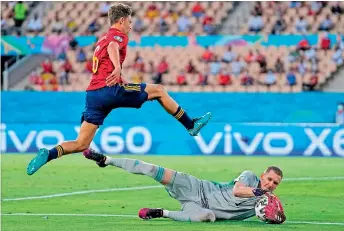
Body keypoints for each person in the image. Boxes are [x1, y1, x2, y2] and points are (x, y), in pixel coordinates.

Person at [27, 4, 211, 176]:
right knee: (159, 90)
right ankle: (190, 125)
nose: (130, 27)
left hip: (93, 95)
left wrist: (117, 73)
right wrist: (117, 68)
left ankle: (49, 153)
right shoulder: (117, 36)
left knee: (81, 144)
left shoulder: (101, 39)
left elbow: (104, 58)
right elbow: (113, 47)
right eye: (129, 22)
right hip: (110, 89)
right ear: (121, 20)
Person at [83, 149, 286, 223]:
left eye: (275, 183)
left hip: (203, 208)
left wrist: (277, 218)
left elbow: (270, 215)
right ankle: (106, 159)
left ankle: (161, 213)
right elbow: (237, 191)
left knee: (207, 217)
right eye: (269, 179)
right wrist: (259, 191)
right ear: (262, 176)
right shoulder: (250, 177)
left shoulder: (266, 202)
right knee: (153, 170)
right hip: (198, 188)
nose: (270, 184)